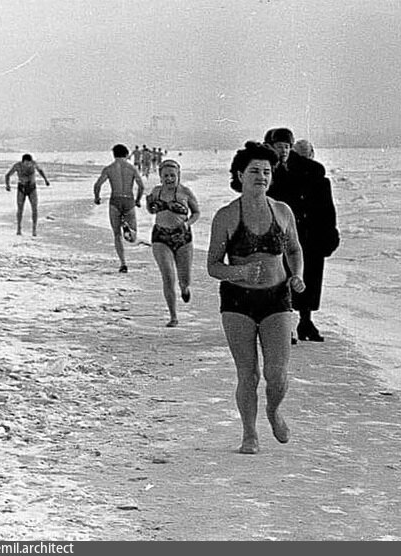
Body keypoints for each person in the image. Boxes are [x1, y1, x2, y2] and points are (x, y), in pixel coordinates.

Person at [207, 142, 306, 454]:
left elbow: (293, 249)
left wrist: (297, 274)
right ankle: (249, 433)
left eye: (266, 171)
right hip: (237, 302)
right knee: (247, 374)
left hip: (277, 297)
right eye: (254, 171)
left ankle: (273, 410)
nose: (261, 176)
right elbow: (212, 265)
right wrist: (238, 273)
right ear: (240, 174)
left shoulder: (283, 211)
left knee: (276, 374)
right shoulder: (225, 216)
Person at [264, 127, 339, 344]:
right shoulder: (269, 173)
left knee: (311, 278)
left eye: (287, 146)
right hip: (283, 234)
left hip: (311, 235)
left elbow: (327, 209)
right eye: (279, 146)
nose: (284, 150)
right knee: (282, 279)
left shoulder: (316, 176)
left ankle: (305, 321)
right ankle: (283, 325)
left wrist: (331, 234)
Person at [147, 159, 201, 327]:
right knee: (168, 276)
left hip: (183, 238)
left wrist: (188, 223)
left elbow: (197, 212)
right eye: (165, 176)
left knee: (184, 278)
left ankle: (185, 288)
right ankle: (173, 316)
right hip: (160, 237)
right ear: (160, 177)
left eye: (172, 175)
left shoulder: (185, 192)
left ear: (178, 176)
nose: (169, 179)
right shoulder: (156, 192)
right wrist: (150, 204)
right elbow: (151, 210)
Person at [93, 144, 145, 273]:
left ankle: (123, 263)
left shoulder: (109, 169)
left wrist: (97, 198)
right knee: (133, 238)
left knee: (117, 235)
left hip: (115, 200)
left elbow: (97, 184)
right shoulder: (132, 168)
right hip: (128, 200)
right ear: (127, 154)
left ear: (113, 154)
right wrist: (138, 200)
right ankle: (127, 227)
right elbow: (141, 186)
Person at [4, 154, 50, 236]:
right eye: (27, 163)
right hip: (21, 188)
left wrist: (46, 180)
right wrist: (7, 185)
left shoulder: (34, 164)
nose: (28, 165)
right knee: (20, 209)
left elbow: (40, 171)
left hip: (32, 188)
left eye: (29, 163)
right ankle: (19, 228)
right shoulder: (17, 166)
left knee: (34, 208)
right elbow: (7, 175)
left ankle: (34, 229)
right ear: (23, 161)